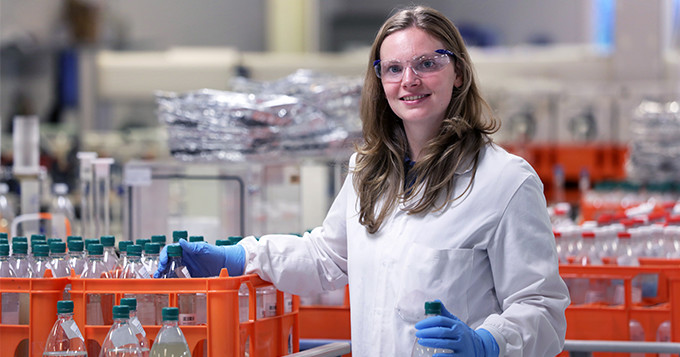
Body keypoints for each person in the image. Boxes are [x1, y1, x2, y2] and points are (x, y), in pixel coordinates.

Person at [155, 5, 570, 356]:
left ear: (458, 72)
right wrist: (240, 258)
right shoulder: (368, 171)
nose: (409, 80)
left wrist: (487, 343)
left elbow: (542, 307)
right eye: (394, 68)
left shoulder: (505, 181)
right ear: (381, 82)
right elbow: (328, 257)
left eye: (427, 63)